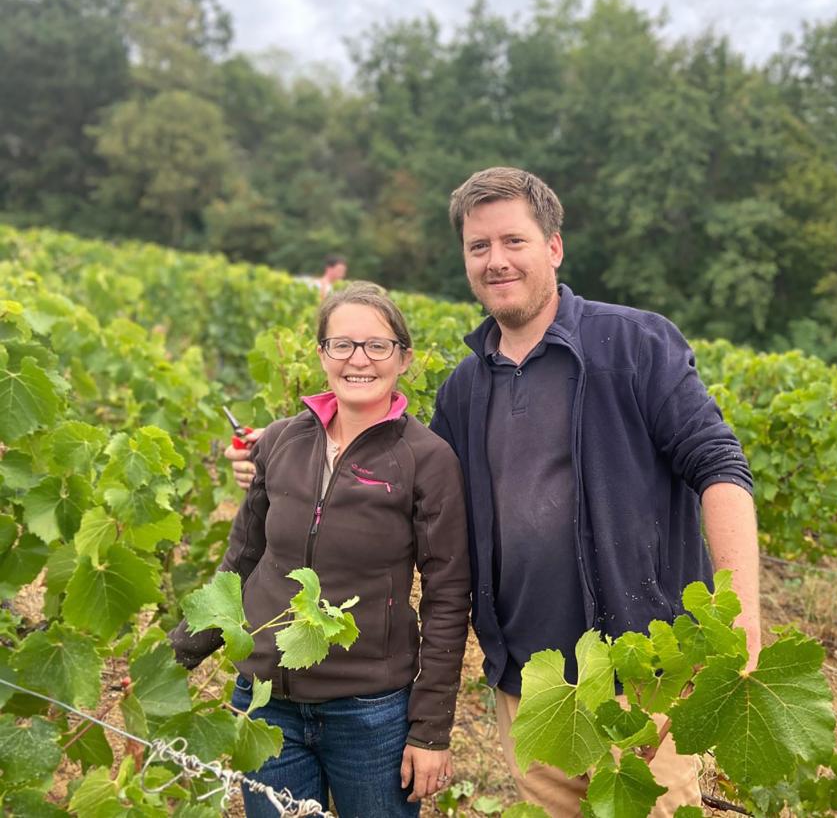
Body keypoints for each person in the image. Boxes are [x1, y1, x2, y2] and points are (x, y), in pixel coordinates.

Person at [229, 168, 761, 817]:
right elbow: (394, 496)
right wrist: (278, 469)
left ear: (554, 247)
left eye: (514, 240)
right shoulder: (463, 391)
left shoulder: (634, 344)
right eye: (479, 247)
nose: (496, 259)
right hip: (531, 688)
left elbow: (721, 469)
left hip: (648, 681)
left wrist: (740, 629)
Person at [177, 282, 470, 817]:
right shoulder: (281, 441)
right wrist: (178, 655)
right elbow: (241, 561)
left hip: (370, 713)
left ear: (403, 358)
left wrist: (429, 731)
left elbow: (447, 597)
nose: (359, 360)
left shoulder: (426, 459)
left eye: (377, 346)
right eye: (342, 344)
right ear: (321, 354)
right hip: (266, 705)